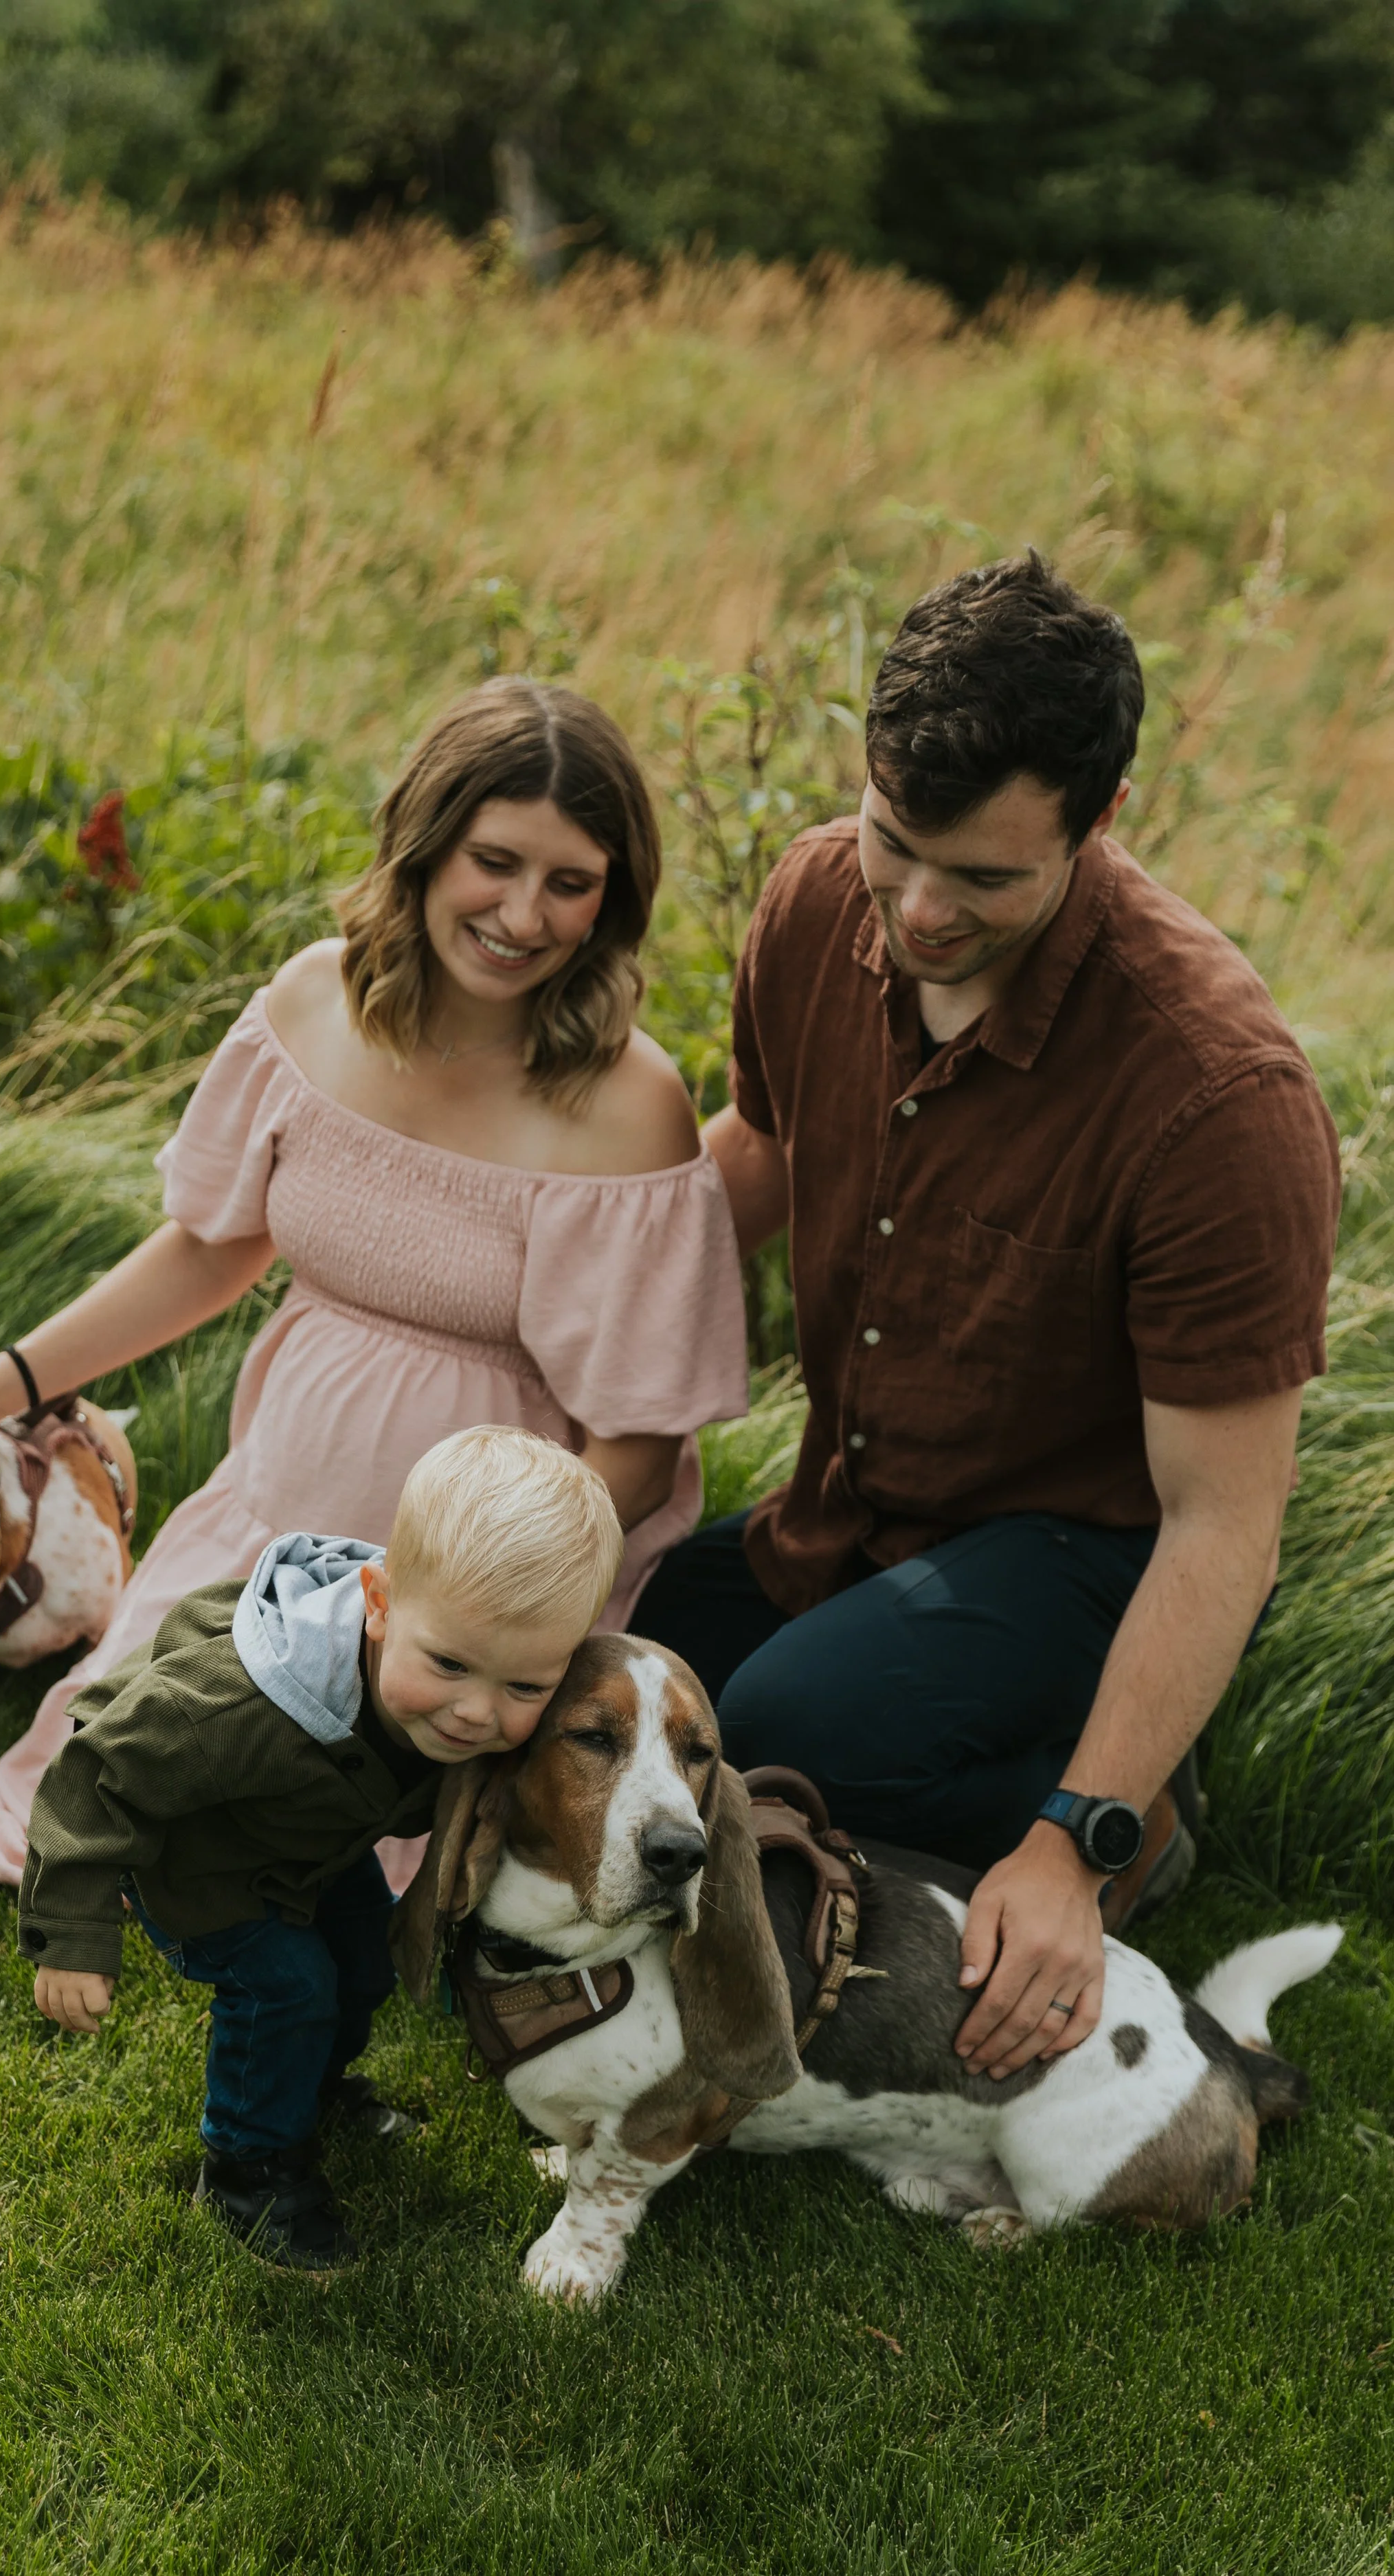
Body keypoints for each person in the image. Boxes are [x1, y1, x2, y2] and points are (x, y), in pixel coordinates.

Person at [0, 679, 747, 1889]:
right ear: (423, 846)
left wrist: (482, 1598)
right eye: (494, 862)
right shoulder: (316, 1003)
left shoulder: (631, 1104)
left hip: (483, 1588)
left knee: (337, 1862)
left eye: (571, 884)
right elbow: (209, 1249)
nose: (524, 915)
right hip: (273, 1514)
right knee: (107, 1789)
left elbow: (641, 1441)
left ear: (612, 900)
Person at [636, 551, 1340, 2088]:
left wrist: (1068, 1852)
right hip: (850, 1513)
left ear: (1098, 827)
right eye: (897, 844)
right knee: (597, 1663)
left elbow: (1222, 1526)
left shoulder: (1219, 1098)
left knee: (773, 1727)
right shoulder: (819, 894)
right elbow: (750, 1157)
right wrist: (544, 1341)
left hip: (1080, 1554)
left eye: (984, 878)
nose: (917, 909)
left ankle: (1127, 1808)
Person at [23, 1427, 624, 2270]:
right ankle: (249, 2167)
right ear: (378, 1602)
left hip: (312, 1850)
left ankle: (308, 2091)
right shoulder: (235, 1706)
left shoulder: (464, 1676)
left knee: (364, 1964)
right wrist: (72, 1936)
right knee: (287, 1990)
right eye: (448, 1664)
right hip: (202, 1863)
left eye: (524, 1686)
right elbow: (94, 1773)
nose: (475, 1714)